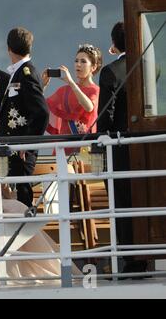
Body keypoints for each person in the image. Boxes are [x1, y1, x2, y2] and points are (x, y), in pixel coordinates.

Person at [0, 97, 75, 283]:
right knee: (19, 210)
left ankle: (7, 271)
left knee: (6, 219)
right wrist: (8, 192)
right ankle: (50, 264)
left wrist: (6, 189)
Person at [98, 22, 146, 274]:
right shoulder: (152, 66)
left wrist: (97, 142)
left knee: (121, 201)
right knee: (145, 196)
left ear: (114, 43)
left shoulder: (110, 72)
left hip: (118, 147)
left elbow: (105, 117)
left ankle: (129, 257)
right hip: (145, 147)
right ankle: (149, 249)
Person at [0, 27, 49, 207]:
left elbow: (42, 113)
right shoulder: (18, 72)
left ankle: (25, 233)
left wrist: (27, 143)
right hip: (11, 148)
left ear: (9, 49)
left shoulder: (26, 73)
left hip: (21, 150)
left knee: (22, 195)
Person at [43, 44, 101, 149]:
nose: (78, 64)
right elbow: (43, 106)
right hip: (63, 147)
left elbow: (89, 107)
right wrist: (43, 86)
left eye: (83, 61)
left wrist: (71, 83)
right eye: (76, 61)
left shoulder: (95, 90)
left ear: (94, 67)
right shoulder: (64, 90)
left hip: (85, 147)